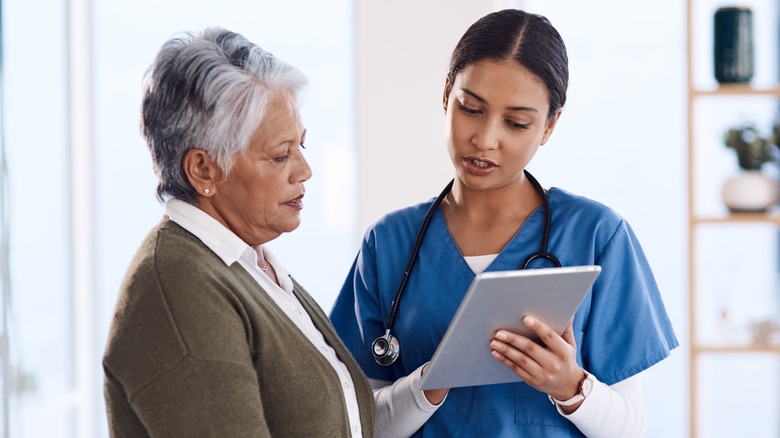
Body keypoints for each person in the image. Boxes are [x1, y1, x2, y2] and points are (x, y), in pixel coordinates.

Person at [330, 9, 678, 438]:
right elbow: (359, 424)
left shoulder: (597, 236)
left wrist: (570, 387)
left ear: (549, 126)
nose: (485, 139)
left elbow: (632, 428)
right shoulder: (389, 243)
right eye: (471, 108)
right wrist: (429, 383)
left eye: (516, 123)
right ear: (446, 95)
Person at [102, 27, 375, 437]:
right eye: (280, 155)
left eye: (302, 146)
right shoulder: (181, 286)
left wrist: (435, 381)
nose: (304, 170)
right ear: (203, 170)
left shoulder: (249, 265)